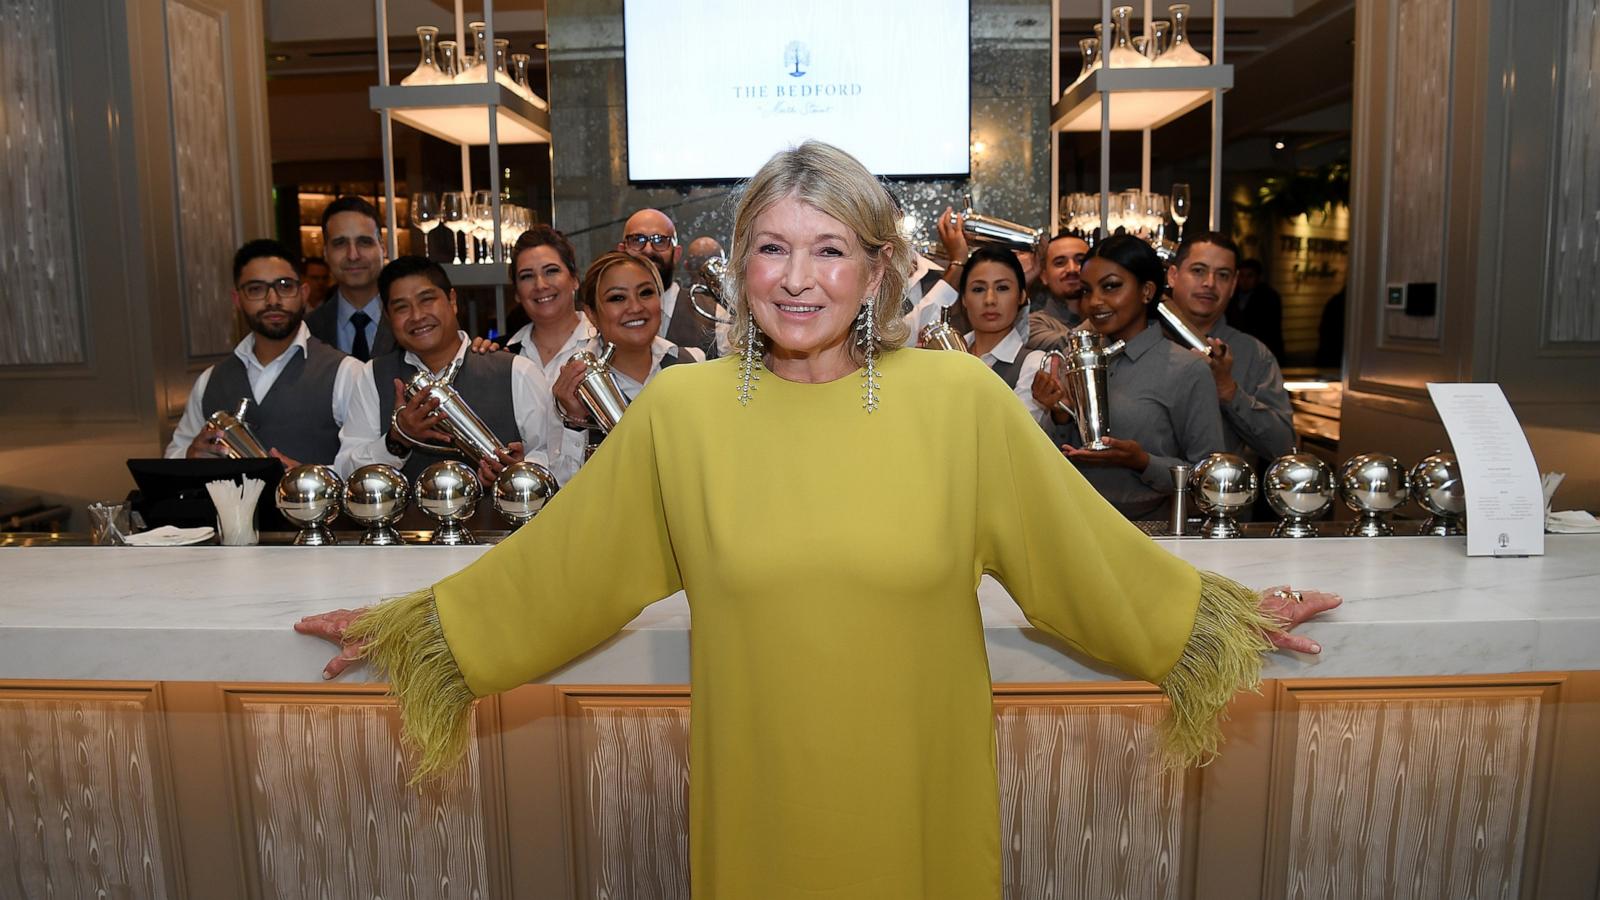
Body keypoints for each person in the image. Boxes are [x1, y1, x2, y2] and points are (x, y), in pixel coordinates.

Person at [297, 142, 1337, 900]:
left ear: (877, 270)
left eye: (831, 250)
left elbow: (1085, 560)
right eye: (773, 250)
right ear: (737, 269)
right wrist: (421, 630)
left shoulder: (957, 402)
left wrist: (1217, 620)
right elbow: (563, 571)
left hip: (920, 814)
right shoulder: (687, 413)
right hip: (762, 818)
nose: (800, 280)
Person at [1027, 234, 1226, 521]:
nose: (1095, 302)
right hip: (1077, 527)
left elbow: (1210, 477)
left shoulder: (1186, 370)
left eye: (1111, 287)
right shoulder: (1079, 360)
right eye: (1086, 290)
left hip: (1152, 535)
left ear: (1146, 291)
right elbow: (1054, 461)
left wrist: (1143, 462)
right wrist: (1059, 414)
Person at [334, 256, 553, 486]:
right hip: (407, 522)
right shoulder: (372, 376)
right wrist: (396, 440)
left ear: (452, 300)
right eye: (401, 308)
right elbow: (346, 472)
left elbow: (552, 454)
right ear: (388, 318)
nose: (417, 316)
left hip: (502, 521)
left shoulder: (516, 370)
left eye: (427, 300)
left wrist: (521, 468)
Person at [166, 239, 361, 468]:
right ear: (237, 300)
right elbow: (172, 459)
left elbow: (363, 465)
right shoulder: (210, 380)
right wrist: (190, 455)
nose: (273, 300)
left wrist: (310, 478)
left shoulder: (346, 372)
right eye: (256, 289)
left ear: (304, 293)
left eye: (285, 286)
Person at [549, 251, 706, 474]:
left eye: (646, 293)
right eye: (618, 298)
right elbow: (563, 488)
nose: (635, 307)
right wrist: (575, 421)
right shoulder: (571, 383)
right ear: (591, 314)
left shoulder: (692, 363)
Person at [1165, 233, 1296, 463]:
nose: (1210, 283)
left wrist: (1229, 391)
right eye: (1198, 270)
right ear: (1173, 275)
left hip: (1222, 493)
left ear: (1233, 284)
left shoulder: (1254, 355)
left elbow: (1283, 446)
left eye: (1223, 275)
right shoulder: (1142, 340)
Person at [306, 196, 395, 362]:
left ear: (382, 249)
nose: (353, 255)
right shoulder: (307, 330)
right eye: (340, 243)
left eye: (364, 242)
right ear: (326, 253)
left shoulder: (411, 320)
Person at [618, 207, 716, 355]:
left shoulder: (713, 314)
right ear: (621, 251)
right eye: (637, 240)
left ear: (676, 254)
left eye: (660, 241)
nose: (648, 250)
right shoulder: (607, 316)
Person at [944, 246, 1037, 390]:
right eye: (978, 289)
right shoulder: (945, 355)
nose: (990, 300)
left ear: (1021, 296)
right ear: (963, 299)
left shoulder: (1033, 364)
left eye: (1002, 288)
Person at [1026, 231, 1090, 352]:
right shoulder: (1032, 324)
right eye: (1060, 263)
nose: (1072, 269)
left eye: (1080, 261)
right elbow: (1065, 345)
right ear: (1044, 275)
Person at [1226, 258, 1285, 360]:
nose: (1245, 280)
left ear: (1258, 277)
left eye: (1250, 276)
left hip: (1261, 352)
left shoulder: (1269, 297)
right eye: (1242, 276)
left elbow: (1270, 331)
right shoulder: (1230, 296)